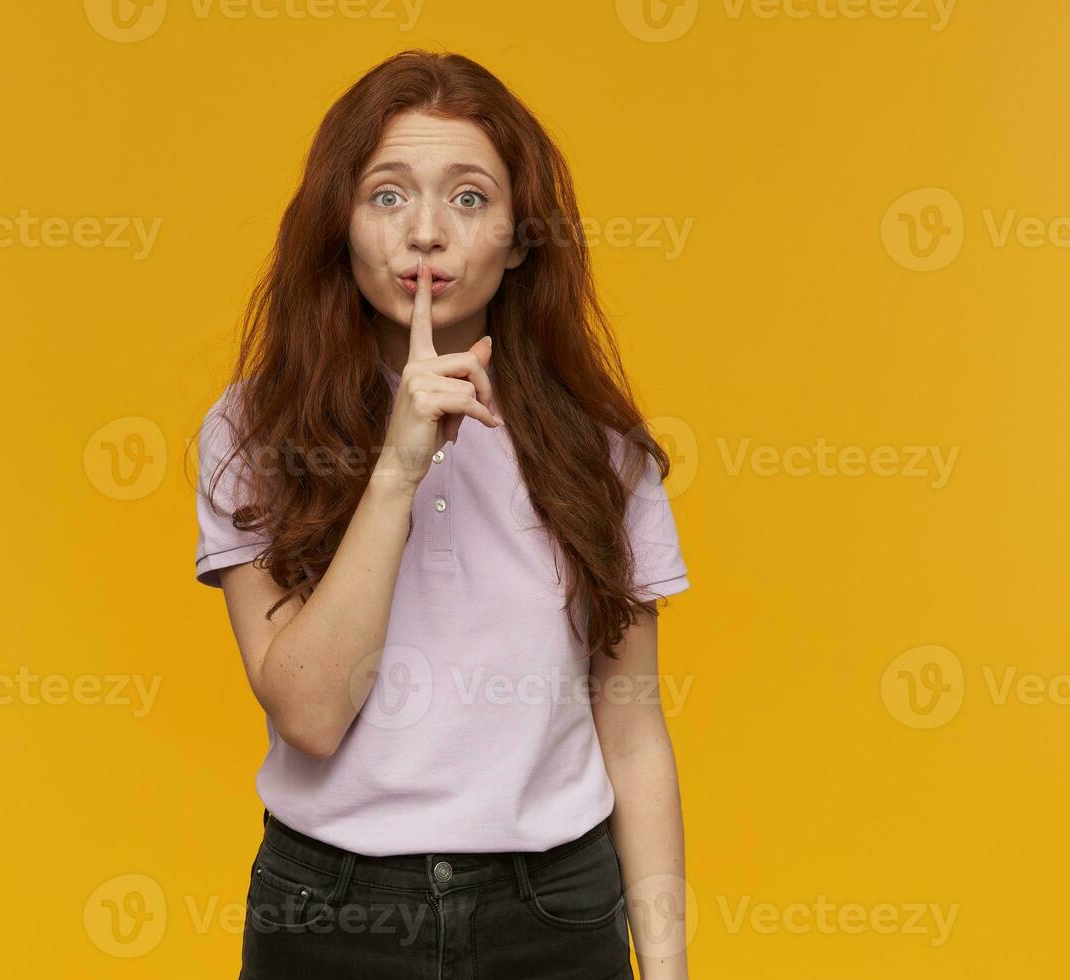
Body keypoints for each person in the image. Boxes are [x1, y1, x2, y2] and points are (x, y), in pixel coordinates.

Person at [191, 48, 692, 980]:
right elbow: (308, 712)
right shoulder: (250, 431)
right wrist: (397, 468)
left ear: (517, 237)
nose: (426, 232)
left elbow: (632, 730)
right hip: (332, 912)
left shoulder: (603, 452)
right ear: (337, 226)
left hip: (555, 909)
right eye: (387, 195)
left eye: (469, 198)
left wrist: (666, 970)